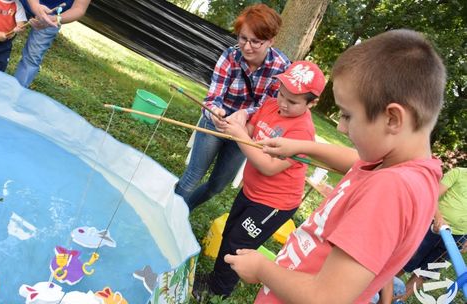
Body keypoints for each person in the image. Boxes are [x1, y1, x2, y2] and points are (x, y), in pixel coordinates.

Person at [224, 29, 447, 303]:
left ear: (392, 119)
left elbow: (326, 297)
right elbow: (358, 162)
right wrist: (302, 147)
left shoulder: (391, 189)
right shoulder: (406, 168)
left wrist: (262, 268)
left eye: (347, 115)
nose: (340, 127)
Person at [192, 61, 325, 300]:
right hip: (251, 191)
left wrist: (240, 135)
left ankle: (218, 289)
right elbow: (252, 129)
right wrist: (236, 124)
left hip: (275, 204)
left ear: (311, 104)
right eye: (281, 94)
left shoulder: (302, 134)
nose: (282, 103)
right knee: (230, 232)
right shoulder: (272, 104)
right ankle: (216, 279)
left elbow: (269, 167)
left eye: (293, 101)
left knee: (238, 243)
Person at [174, 4, 290, 210]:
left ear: (271, 41)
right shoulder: (229, 56)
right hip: (217, 122)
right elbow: (212, 98)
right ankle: (166, 213)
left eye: (256, 41)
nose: (247, 47)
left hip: (246, 131)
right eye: (243, 38)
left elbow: (270, 107)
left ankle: (183, 212)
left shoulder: (281, 66)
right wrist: (215, 113)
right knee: (192, 177)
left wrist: (246, 114)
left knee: (217, 186)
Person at [393, 167, 467, 303]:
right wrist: (438, 216)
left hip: (458, 237)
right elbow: (432, 197)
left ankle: (399, 300)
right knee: (405, 262)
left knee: (426, 272)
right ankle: (379, 292)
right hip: (433, 227)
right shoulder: (459, 173)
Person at [14, 0, 91, 87]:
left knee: (32, 58)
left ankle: (16, 91)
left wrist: (54, 19)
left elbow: (79, 9)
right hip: (23, 4)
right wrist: (36, 7)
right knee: (0, 36)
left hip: (51, 18)